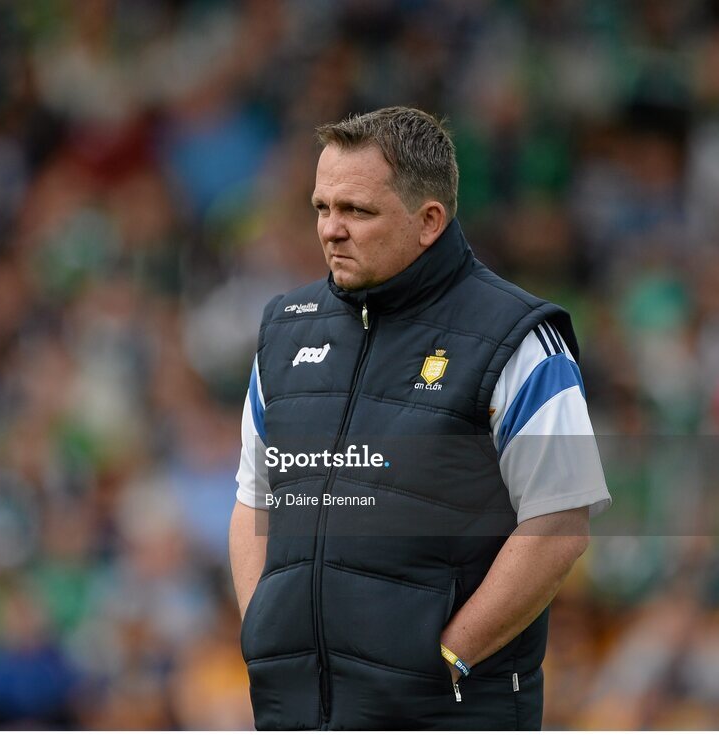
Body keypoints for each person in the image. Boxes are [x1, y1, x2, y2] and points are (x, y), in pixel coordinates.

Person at [228, 106, 610, 730]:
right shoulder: (283, 330)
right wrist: (267, 638)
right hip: (295, 710)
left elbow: (560, 523)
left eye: (357, 211)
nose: (331, 230)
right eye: (322, 208)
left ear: (429, 220)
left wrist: (447, 658)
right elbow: (254, 502)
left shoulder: (516, 338)